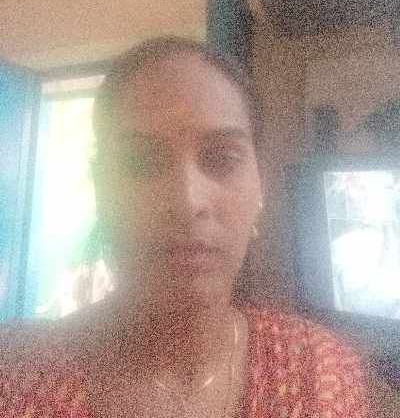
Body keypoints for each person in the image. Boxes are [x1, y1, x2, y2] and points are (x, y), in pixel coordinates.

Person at [0, 37, 370, 417]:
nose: (187, 200)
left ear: (260, 185)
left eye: (222, 159)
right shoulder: (15, 378)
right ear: (100, 187)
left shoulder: (322, 374)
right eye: (141, 161)